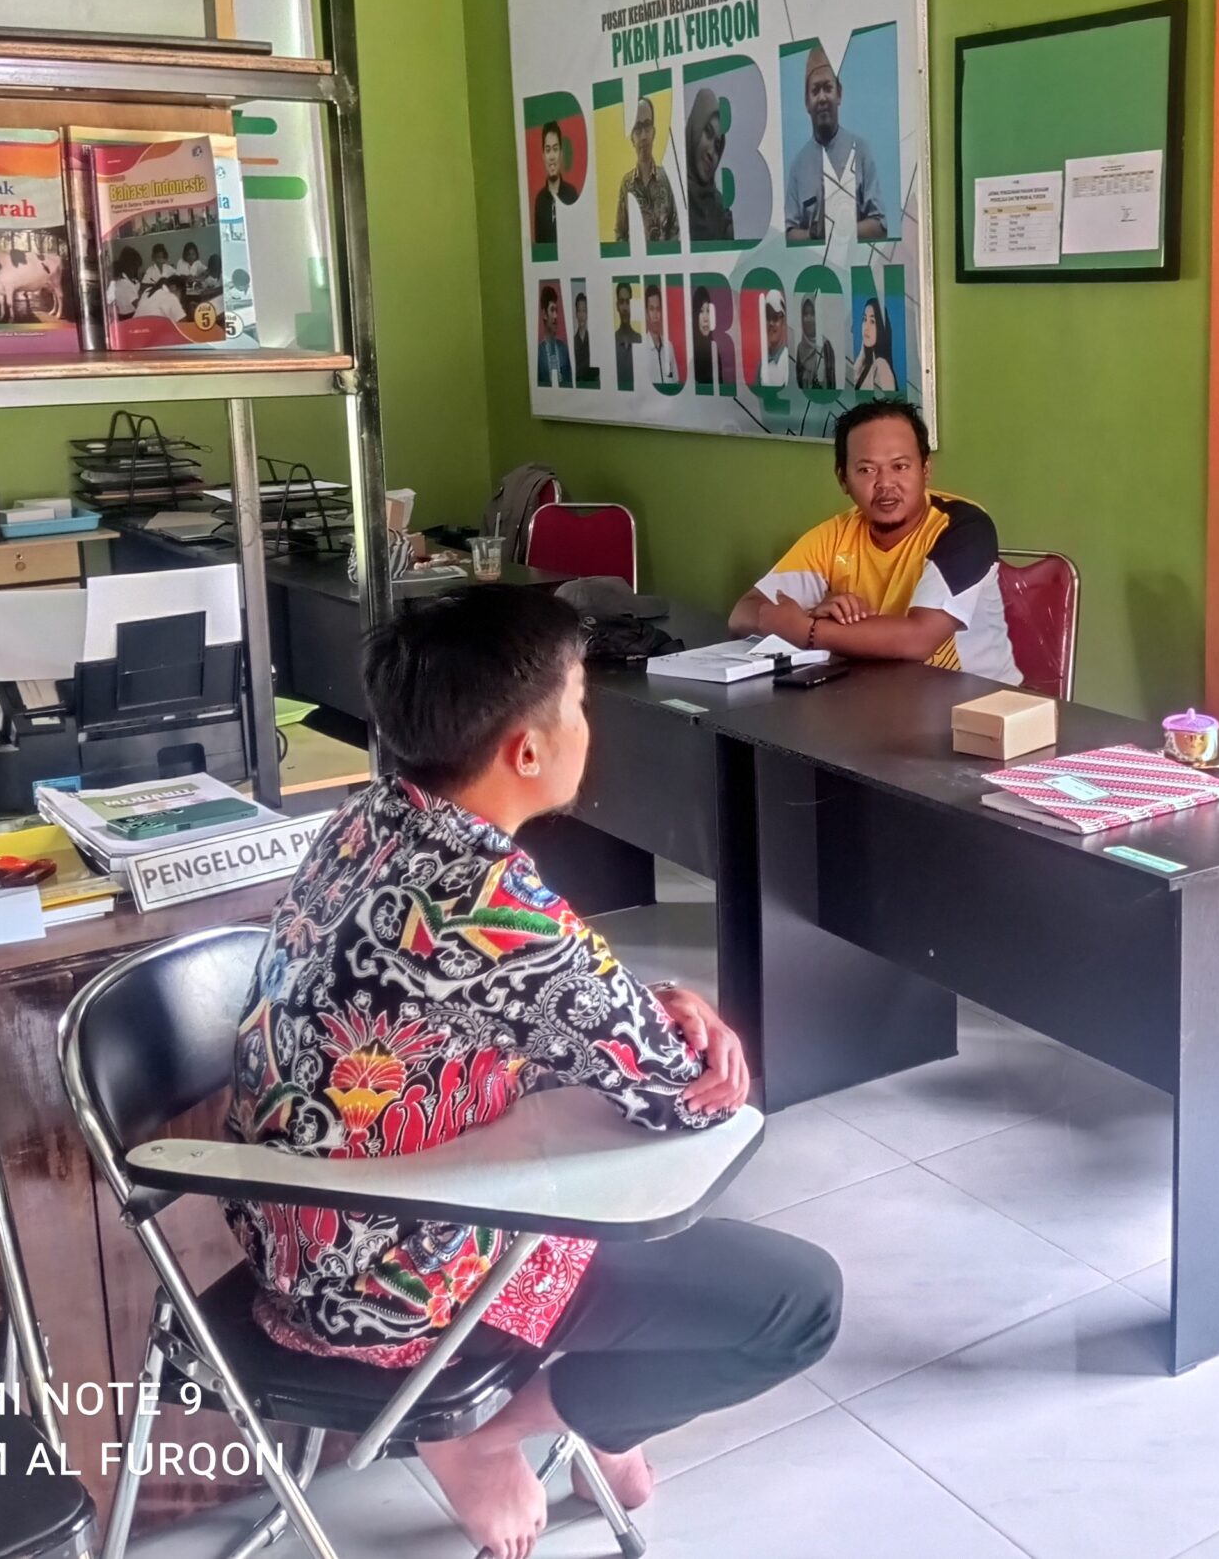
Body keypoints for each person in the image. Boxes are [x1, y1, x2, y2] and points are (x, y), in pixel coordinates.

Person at [227, 585, 841, 1559]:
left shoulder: (369, 817)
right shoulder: (490, 901)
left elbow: (535, 991)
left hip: (290, 1237)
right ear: (525, 750)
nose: (588, 724)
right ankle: (492, 1431)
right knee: (797, 1302)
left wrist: (650, 999)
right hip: (395, 1277)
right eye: (581, 702)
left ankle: (601, 1419)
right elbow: (683, 1099)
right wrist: (678, 1023)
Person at [729, 401, 1019, 684]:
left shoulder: (964, 527)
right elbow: (743, 614)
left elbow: (918, 640)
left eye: (900, 466)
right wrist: (813, 615)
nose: (885, 484)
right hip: (884, 697)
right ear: (843, 478)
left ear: (925, 470)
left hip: (982, 704)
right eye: (867, 470)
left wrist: (808, 630)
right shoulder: (834, 535)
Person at [784, 45, 888, 242]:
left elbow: (880, 226)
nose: (822, 97)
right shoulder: (798, 167)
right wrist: (813, 235)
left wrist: (840, 230)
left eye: (828, 88)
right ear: (807, 102)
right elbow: (789, 234)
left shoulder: (861, 151)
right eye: (815, 90)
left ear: (839, 94)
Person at [612, 97, 681, 248]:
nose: (643, 136)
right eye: (638, 128)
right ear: (632, 137)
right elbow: (620, 234)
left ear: (654, 133)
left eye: (647, 126)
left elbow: (676, 228)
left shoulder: (667, 179)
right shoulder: (626, 185)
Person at [684, 87, 735, 242]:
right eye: (708, 132)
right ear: (695, 129)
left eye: (718, 146)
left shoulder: (721, 212)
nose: (711, 153)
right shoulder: (667, 195)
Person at [532, 122, 578, 248]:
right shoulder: (540, 201)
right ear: (543, 156)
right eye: (548, 150)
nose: (552, 156)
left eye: (555, 149)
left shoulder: (572, 195)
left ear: (561, 154)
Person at [849, 294, 898, 393]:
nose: (866, 327)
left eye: (872, 321)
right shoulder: (869, 362)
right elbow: (851, 386)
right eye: (864, 319)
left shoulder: (882, 366)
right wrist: (862, 354)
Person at [792, 294, 839, 390]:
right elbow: (798, 385)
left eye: (812, 314)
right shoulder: (800, 349)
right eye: (805, 314)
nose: (809, 319)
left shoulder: (826, 346)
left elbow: (831, 385)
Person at [641, 279, 680, 388]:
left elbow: (676, 384)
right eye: (651, 309)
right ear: (646, 313)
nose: (655, 315)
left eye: (658, 309)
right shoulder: (641, 350)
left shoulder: (669, 347)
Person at [535, 283, 571, 388]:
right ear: (544, 314)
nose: (556, 316)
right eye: (552, 310)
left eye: (557, 310)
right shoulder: (538, 353)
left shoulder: (564, 349)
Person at [758, 289, 790, 389]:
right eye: (768, 317)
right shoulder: (761, 365)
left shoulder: (789, 362)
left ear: (783, 321)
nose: (771, 323)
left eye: (775, 317)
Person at [610, 288, 637, 392]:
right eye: (621, 302)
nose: (625, 308)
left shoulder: (641, 340)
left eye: (628, 302)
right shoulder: (610, 342)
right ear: (617, 306)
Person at [571, 285, 598, 387]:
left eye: (584, 310)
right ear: (576, 313)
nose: (581, 315)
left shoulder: (593, 340)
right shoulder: (572, 341)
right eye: (579, 311)